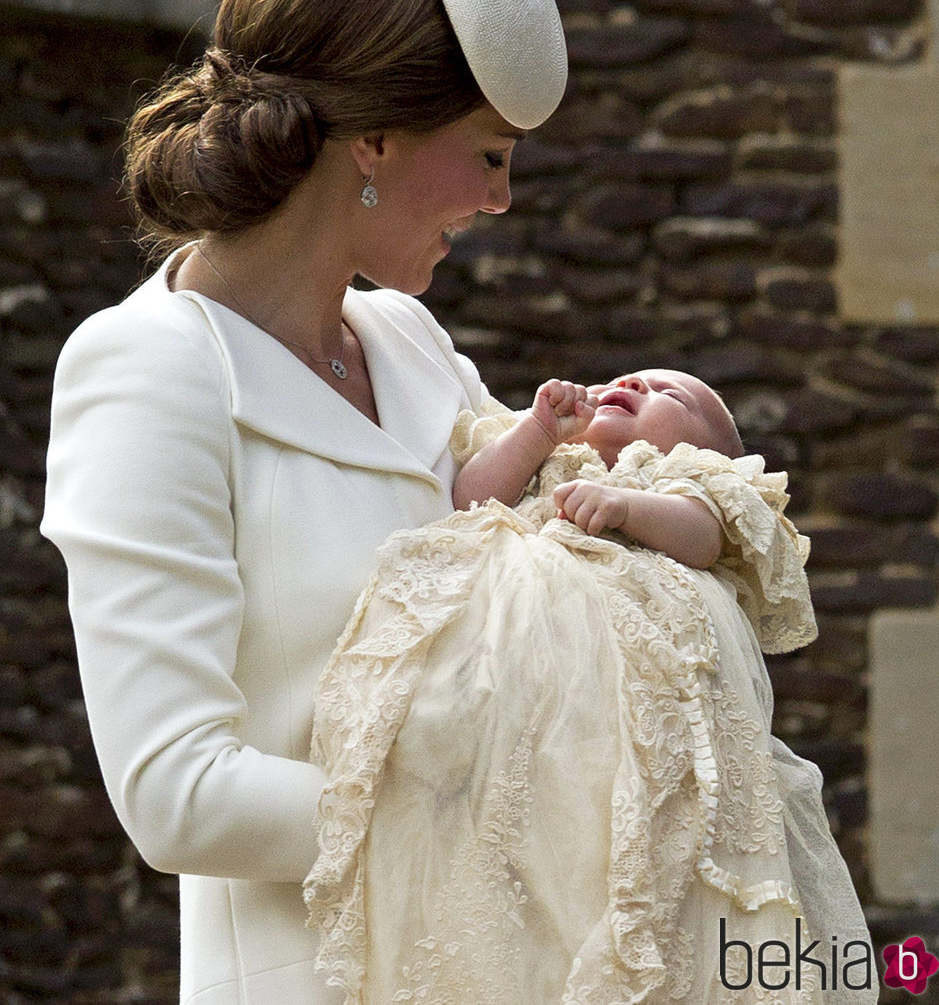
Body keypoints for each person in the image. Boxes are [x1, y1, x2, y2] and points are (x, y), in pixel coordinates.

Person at [40, 0, 570, 1005]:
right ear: (374, 142)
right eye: (488, 155)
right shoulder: (150, 369)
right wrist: (461, 784)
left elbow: (542, 538)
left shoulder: (405, 337)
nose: (501, 200)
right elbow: (176, 792)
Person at [304, 372, 878, 1003]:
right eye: (623, 378)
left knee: (634, 822)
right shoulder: (545, 457)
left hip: (622, 684)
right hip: (516, 676)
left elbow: (701, 534)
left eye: (672, 396)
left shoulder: (680, 481)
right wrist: (536, 432)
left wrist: (628, 507)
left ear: (708, 448)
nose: (631, 381)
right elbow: (466, 496)